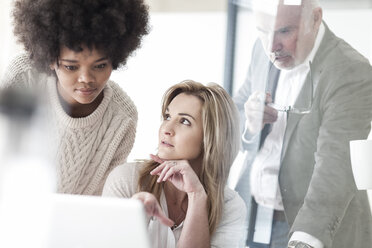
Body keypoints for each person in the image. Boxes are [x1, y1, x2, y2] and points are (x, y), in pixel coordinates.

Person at [234, 0, 372, 247]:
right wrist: (250, 125)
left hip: (312, 231)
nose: (271, 46)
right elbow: (234, 113)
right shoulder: (262, 48)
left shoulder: (352, 71)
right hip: (254, 220)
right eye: (263, 31)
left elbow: (336, 162)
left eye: (285, 31)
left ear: (315, 18)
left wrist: (305, 240)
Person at [1, 0, 149, 195]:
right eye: (71, 66)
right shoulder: (24, 76)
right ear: (51, 59)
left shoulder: (122, 118)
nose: (86, 79)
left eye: (100, 66)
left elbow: (102, 199)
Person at [103, 80, 247, 248]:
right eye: (167, 116)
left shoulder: (230, 206)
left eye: (184, 121)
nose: (166, 128)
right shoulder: (126, 180)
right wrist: (136, 220)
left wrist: (196, 196)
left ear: (211, 139)